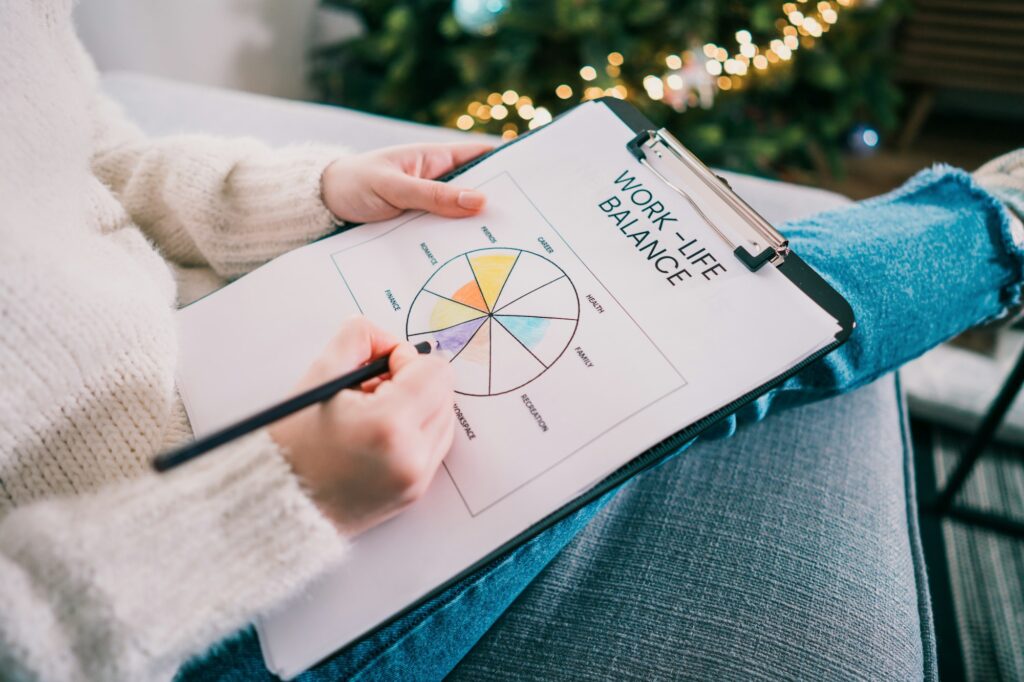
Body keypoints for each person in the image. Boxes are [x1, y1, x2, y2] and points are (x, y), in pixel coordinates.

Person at [2, 2, 1024, 679]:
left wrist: (312, 189)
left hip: (217, 343)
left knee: (653, 292)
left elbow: (98, 154)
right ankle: (996, 232)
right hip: (176, 596)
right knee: (698, 343)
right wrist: (279, 499)